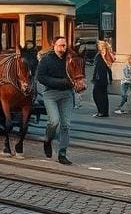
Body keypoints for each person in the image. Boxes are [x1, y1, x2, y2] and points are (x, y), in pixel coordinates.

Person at [36, 36, 79, 165]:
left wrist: (79, 82)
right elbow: (41, 77)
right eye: (60, 45)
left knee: (65, 124)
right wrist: (60, 82)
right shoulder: (46, 60)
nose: (63, 48)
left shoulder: (70, 59)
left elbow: (77, 72)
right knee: (54, 122)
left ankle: (62, 153)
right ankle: (47, 140)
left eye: (64, 45)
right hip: (50, 94)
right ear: (53, 45)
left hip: (66, 94)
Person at [91, 40, 114, 118]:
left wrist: (110, 78)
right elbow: (106, 68)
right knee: (102, 95)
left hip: (101, 78)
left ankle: (102, 112)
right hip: (100, 78)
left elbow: (107, 67)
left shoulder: (104, 54)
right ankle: (103, 112)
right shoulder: (101, 54)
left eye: (99, 45)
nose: (98, 47)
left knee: (98, 95)